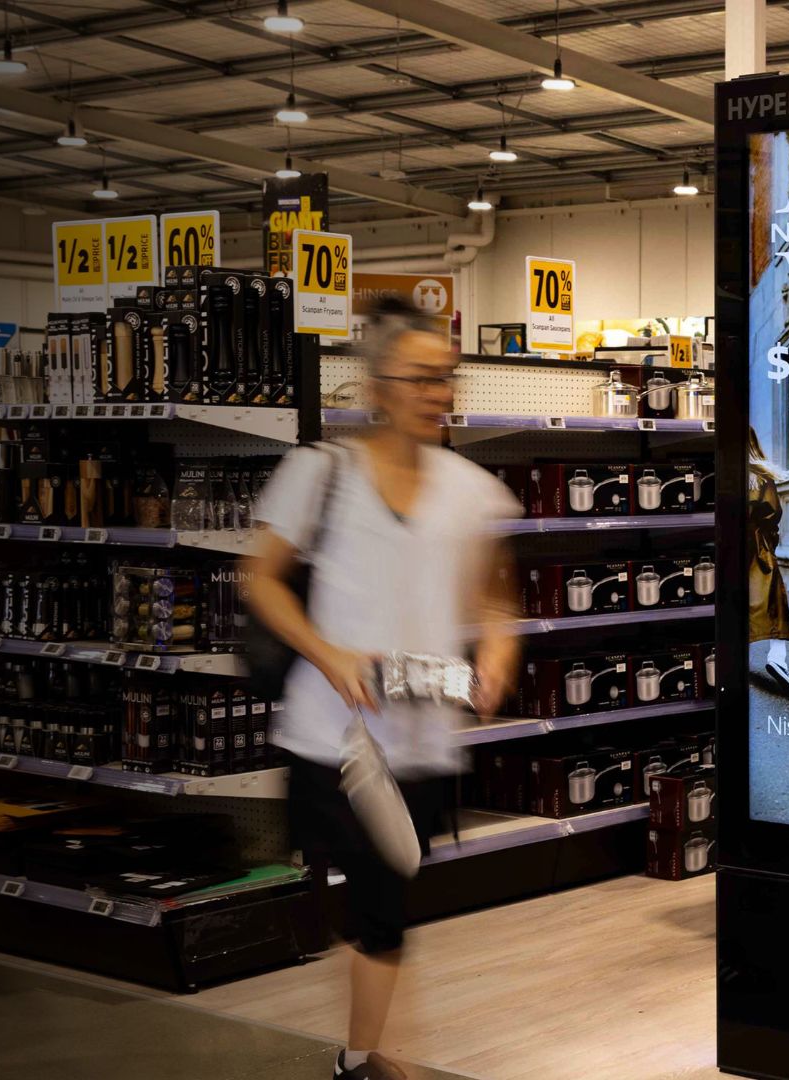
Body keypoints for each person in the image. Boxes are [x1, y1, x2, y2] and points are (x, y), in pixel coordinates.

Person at [245, 298, 520, 1080]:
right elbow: (260, 581)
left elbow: (492, 602)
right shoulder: (319, 473)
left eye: (447, 379)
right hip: (329, 734)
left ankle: (360, 1053)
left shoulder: (472, 492)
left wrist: (496, 654)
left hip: (423, 740)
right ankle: (365, 1058)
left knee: (386, 901)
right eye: (421, 379)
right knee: (373, 899)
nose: (438, 394)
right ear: (378, 383)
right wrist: (325, 651)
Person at [748, 427, 789, 698]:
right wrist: (770, 543)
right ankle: (777, 658)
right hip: (756, 548)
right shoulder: (760, 478)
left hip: (729, 547)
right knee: (773, 605)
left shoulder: (722, 474)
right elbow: (772, 514)